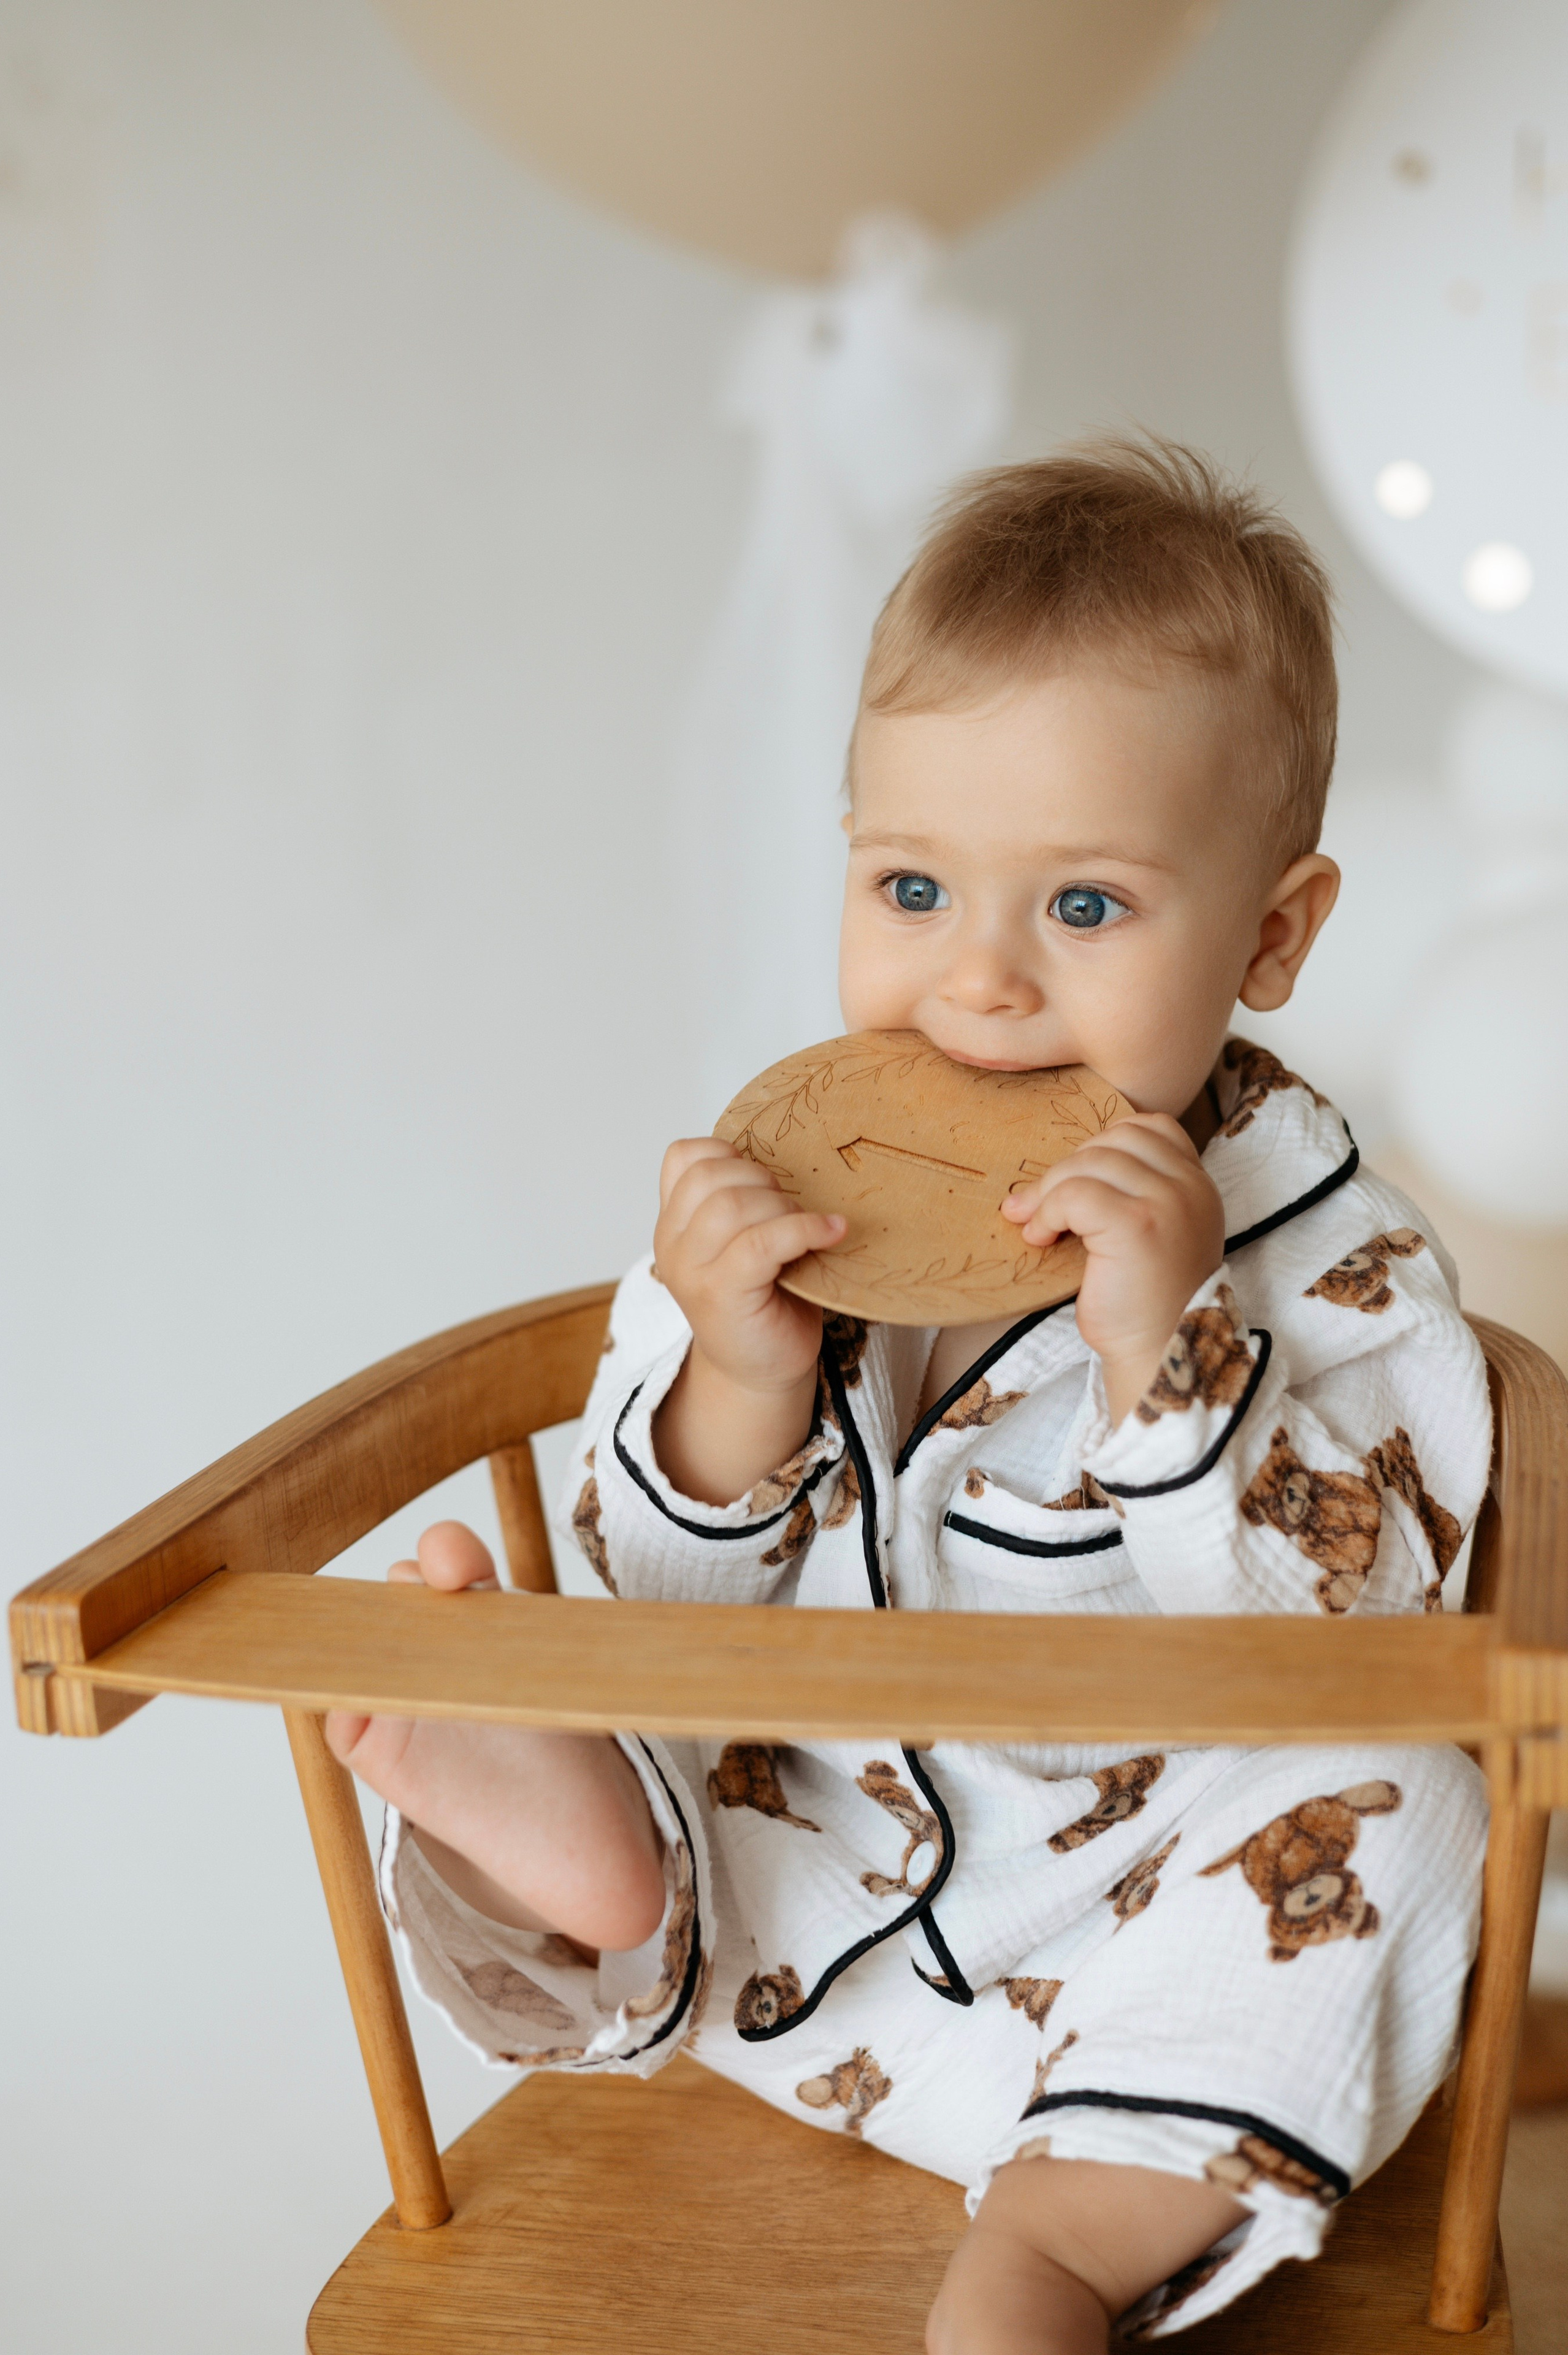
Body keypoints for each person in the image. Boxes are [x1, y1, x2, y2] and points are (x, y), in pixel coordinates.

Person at [327, 441, 1490, 2349]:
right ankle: (581, 1853)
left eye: (1088, 910)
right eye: (917, 886)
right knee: (593, 1658)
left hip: (1134, 1945)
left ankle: (1044, 2268)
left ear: (1273, 936)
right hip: (788, 1907)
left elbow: (1356, 1648)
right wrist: (736, 1374)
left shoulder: (1342, 1269)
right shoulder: (792, 1210)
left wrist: (1169, 1350)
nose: (983, 986)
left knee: (1410, 1809)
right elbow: (675, 1605)